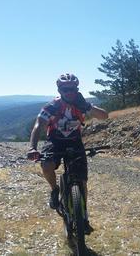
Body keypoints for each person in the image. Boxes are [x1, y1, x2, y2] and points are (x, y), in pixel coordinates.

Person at [27, 73, 108, 234]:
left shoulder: (81, 103)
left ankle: (83, 216)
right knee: (46, 164)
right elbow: (38, 126)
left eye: (72, 89)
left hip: (74, 141)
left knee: (82, 181)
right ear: (60, 90)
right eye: (65, 89)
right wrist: (32, 147)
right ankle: (54, 189)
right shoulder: (52, 106)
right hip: (54, 142)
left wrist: (87, 107)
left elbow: (104, 116)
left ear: (76, 89)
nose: (69, 92)